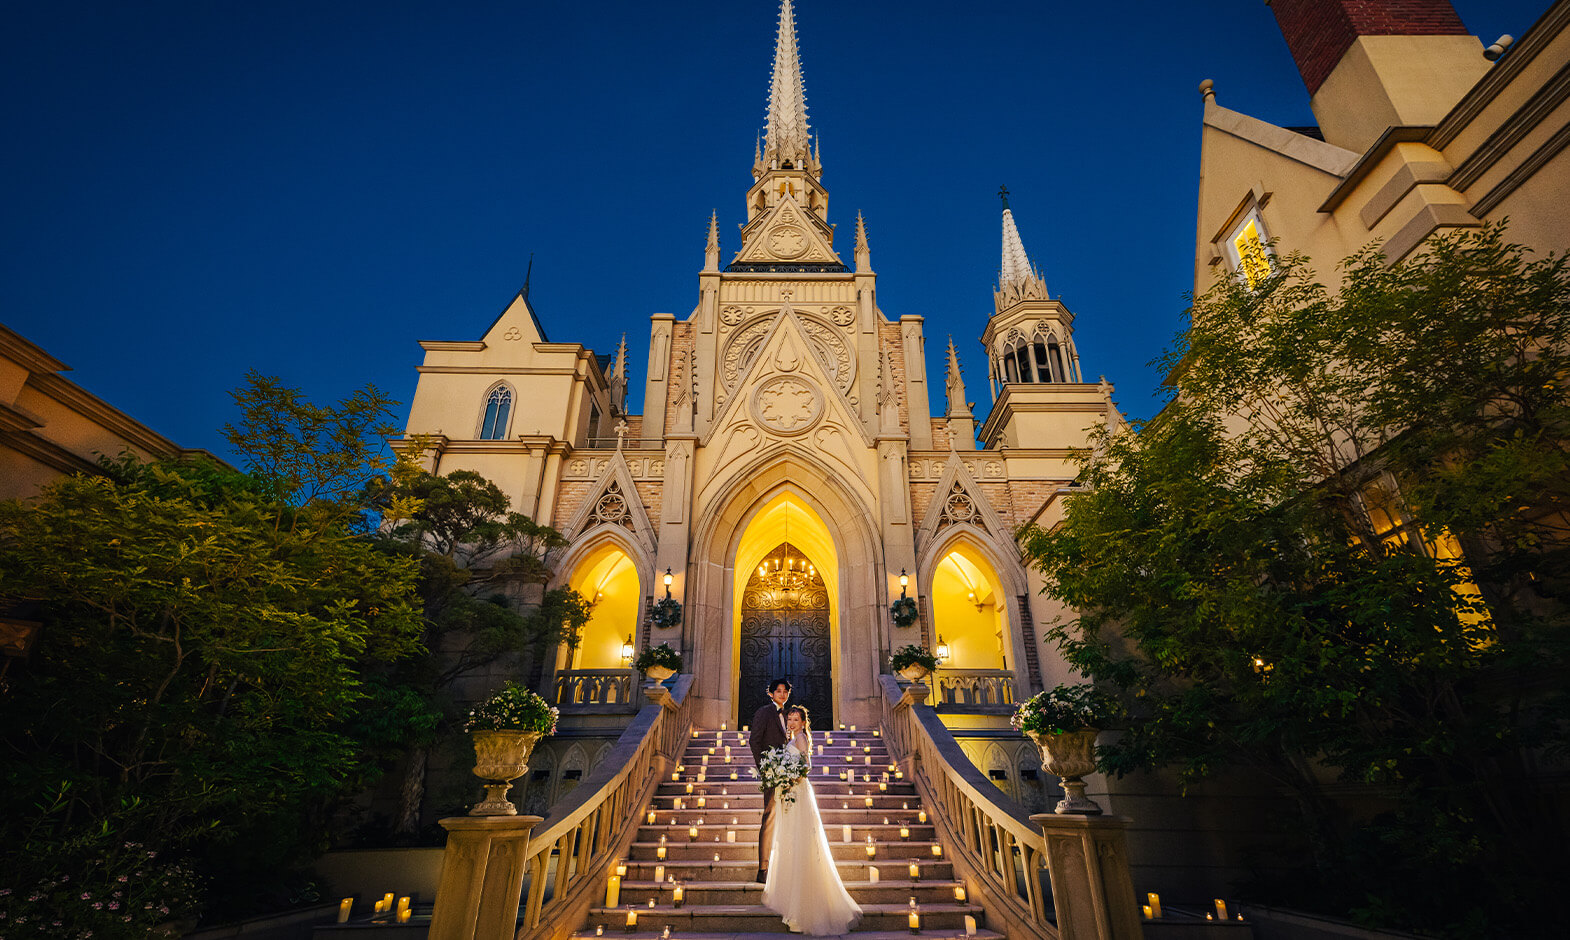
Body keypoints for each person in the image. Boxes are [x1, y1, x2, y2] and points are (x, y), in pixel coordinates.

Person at [761, 705, 862, 935]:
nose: (792, 722)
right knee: (790, 844)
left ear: (803, 722)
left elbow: (807, 766)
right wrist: (779, 775)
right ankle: (793, 907)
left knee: (800, 845)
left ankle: (801, 911)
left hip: (798, 793)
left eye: (796, 719)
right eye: (790, 719)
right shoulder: (792, 739)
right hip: (789, 795)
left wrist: (788, 777)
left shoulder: (800, 740)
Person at [748, 678, 792, 884]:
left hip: (789, 775)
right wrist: (765, 768)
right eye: (779, 691)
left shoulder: (790, 715)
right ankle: (763, 869)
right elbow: (754, 741)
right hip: (772, 773)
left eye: (785, 691)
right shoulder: (764, 712)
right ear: (771, 693)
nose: (782, 694)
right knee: (770, 817)